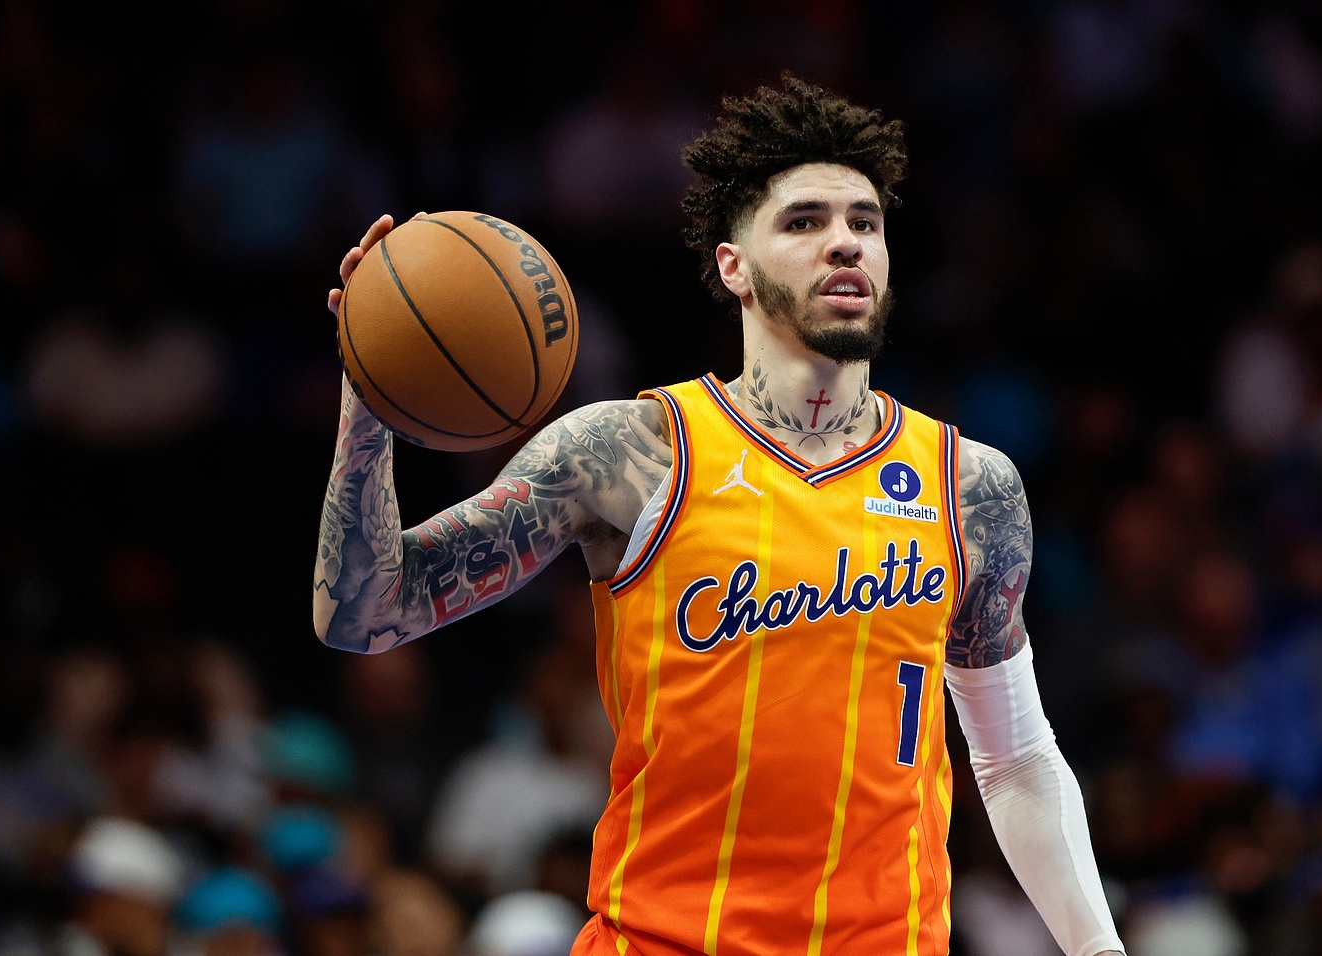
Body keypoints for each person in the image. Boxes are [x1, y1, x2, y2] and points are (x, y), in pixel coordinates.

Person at [313, 75, 1125, 956]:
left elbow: (1016, 762)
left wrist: (1098, 948)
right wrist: (369, 390)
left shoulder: (970, 487)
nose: (845, 242)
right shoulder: (628, 454)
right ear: (733, 265)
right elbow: (364, 611)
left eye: (865, 222)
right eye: (804, 221)